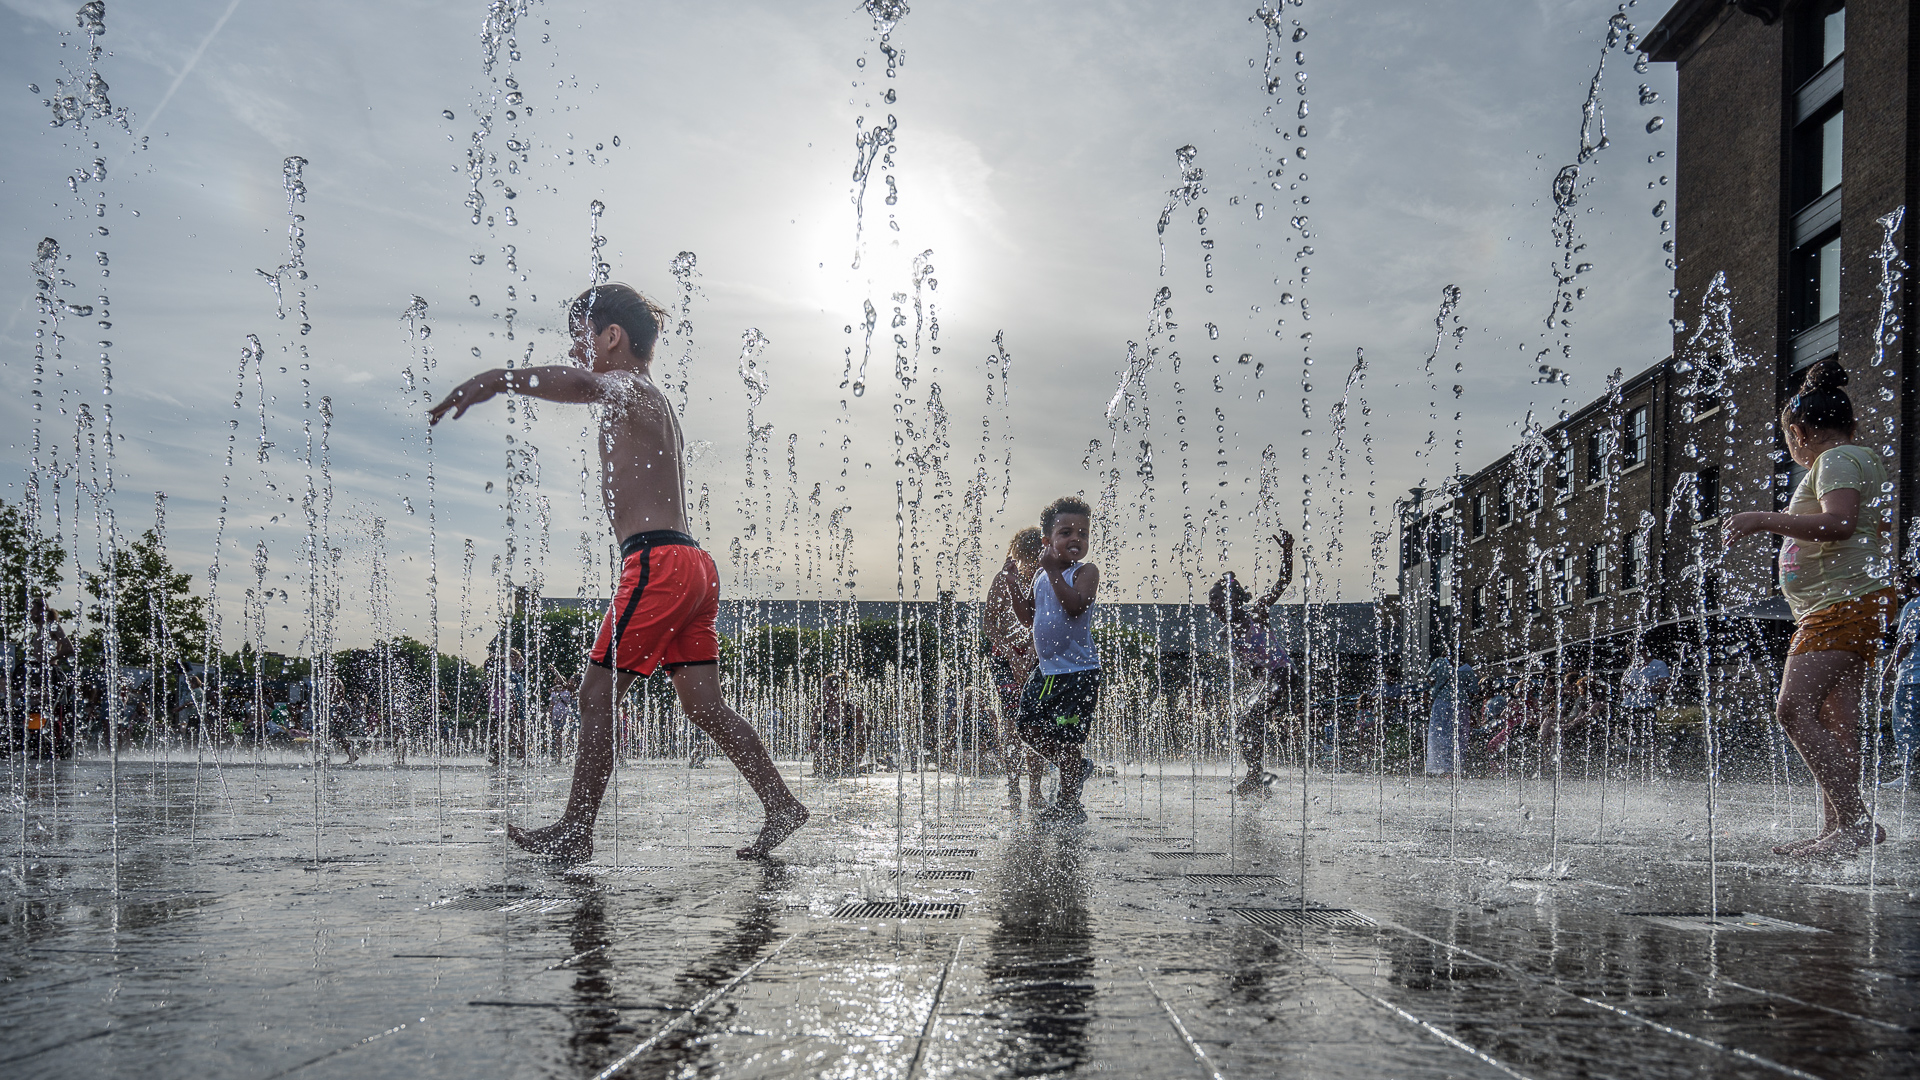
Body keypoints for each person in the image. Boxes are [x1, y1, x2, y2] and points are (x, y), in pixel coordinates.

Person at [430, 281, 807, 860]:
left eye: (582, 338)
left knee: (596, 695)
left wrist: (497, 379)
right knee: (703, 705)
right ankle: (781, 804)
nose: (577, 350)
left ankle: (576, 834)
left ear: (612, 337)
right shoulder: (650, 399)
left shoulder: (629, 388)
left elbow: (583, 384)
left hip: (658, 562)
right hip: (691, 565)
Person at [1724, 357, 1895, 858]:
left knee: (1793, 710)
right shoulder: (1854, 457)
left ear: (1797, 432)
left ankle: (1856, 822)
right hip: (1844, 604)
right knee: (1837, 721)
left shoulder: (1835, 460)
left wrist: (1763, 519)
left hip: (1838, 607)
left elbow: (1839, 522)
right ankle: (1837, 830)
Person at [996, 496, 1101, 824]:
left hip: (1077, 674)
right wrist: (1013, 585)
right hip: (1047, 672)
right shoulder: (1042, 576)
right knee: (1026, 726)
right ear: (1047, 541)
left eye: (1082, 534)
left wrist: (1054, 571)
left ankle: (1069, 805)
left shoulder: (1085, 572)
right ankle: (1074, 767)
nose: (1075, 539)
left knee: (1067, 736)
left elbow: (1075, 607)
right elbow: (1028, 617)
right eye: (1065, 532)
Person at [1206, 530, 1297, 797]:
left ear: (1231, 601)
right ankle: (1256, 776)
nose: (1211, 606)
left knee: (1249, 720)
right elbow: (1252, 666)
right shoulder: (1225, 634)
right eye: (1211, 601)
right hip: (1270, 680)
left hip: (1285, 676)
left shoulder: (1257, 613)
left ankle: (1255, 777)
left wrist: (1287, 552)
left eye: (1216, 600)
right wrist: (1253, 669)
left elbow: (1283, 582)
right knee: (1245, 722)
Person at [985, 527, 1046, 810]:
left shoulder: (1044, 580)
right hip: (1005, 661)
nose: (1032, 564)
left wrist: (1032, 654)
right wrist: (1011, 653)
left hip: (1037, 659)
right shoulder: (1002, 580)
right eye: (1027, 558)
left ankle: (1035, 791)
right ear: (1017, 555)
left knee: (1037, 725)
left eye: (1037, 557)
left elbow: (1044, 623)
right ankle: (1013, 790)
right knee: (1011, 727)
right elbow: (989, 624)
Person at [1878, 557, 1919, 789]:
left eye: (1899, 583)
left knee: (1905, 726)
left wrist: (1889, 669)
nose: (1896, 588)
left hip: (1913, 677)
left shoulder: (1914, 607)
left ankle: (1908, 777)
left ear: (1912, 582)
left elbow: (1905, 641)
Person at [1424, 650, 1479, 778]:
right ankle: (1455, 767)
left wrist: (1435, 685)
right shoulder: (1467, 669)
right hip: (1460, 705)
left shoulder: (1440, 663)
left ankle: (1439, 767)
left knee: (1438, 735)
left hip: (1441, 703)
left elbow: (1428, 677)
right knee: (1458, 736)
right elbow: (1474, 689)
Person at [808, 671, 867, 778]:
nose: (823, 693)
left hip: (847, 762)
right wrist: (823, 748)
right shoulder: (819, 711)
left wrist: (846, 749)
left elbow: (861, 741)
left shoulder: (854, 711)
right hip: (823, 764)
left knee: (866, 728)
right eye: (823, 690)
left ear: (838, 690)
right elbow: (813, 740)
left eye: (826, 689)